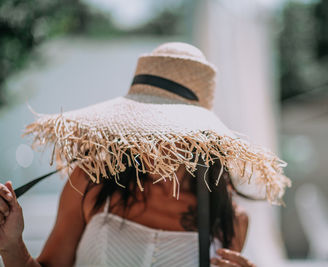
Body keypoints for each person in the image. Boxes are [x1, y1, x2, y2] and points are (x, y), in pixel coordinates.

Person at [0, 42, 290, 266]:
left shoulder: (228, 218)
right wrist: (12, 245)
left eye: (170, 130)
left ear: (201, 138)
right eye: (145, 126)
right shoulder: (90, 182)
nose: (152, 143)